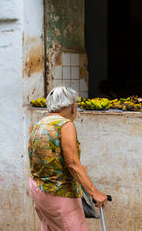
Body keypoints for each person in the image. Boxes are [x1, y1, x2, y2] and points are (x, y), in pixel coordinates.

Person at [28, 86, 108, 231]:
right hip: (60, 193)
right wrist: (94, 192)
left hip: (39, 190)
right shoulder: (65, 125)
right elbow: (72, 164)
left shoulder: (40, 124)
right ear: (72, 106)